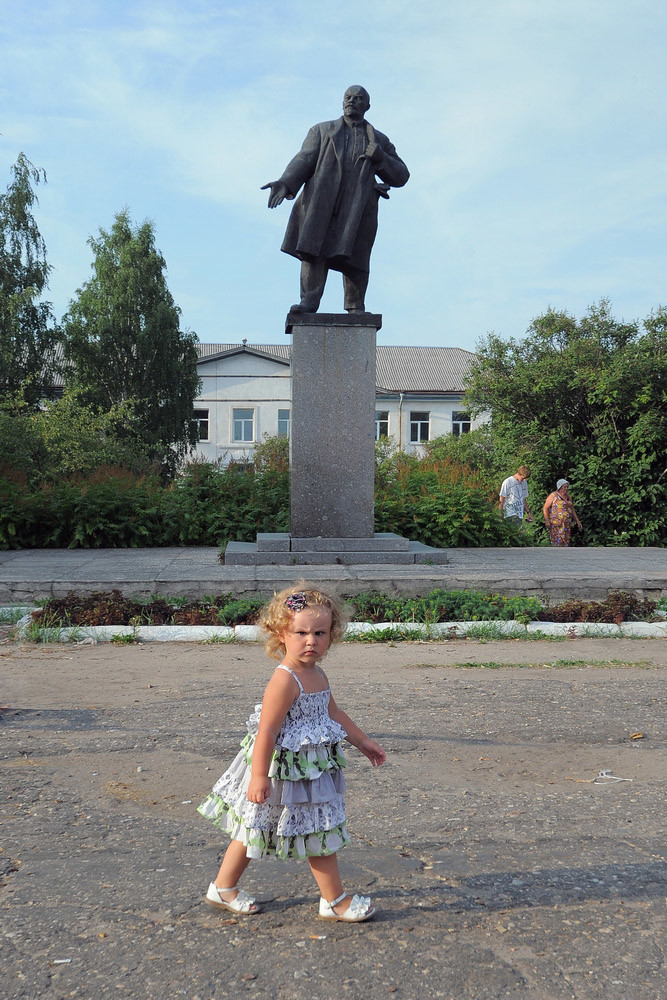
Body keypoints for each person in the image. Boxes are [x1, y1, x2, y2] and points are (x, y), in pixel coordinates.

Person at [197, 584, 386, 922]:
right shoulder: (285, 680)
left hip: (307, 771)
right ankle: (334, 900)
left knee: (281, 828)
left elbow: (334, 713)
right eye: (300, 632)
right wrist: (258, 777)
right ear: (281, 634)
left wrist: (363, 741)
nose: (310, 640)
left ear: (332, 635)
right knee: (280, 827)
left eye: (320, 632)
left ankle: (223, 887)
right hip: (278, 771)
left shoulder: (318, 674)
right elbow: (266, 730)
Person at [261, 85, 409, 314]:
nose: (352, 101)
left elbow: (401, 175)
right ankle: (309, 301)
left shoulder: (379, 139)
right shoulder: (322, 131)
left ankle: (355, 305)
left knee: (356, 257)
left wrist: (381, 158)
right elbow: (304, 159)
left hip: (359, 205)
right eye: (348, 97)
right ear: (342, 102)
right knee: (314, 251)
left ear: (367, 106)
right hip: (323, 201)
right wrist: (285, 182)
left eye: (358, 98)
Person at [543, 478, 582, 547]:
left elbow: (572, 509)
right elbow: (545, 508)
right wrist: (547, 521)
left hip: (566, 524)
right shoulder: (553, 496)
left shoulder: (568, 497)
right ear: (560, 487)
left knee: (566, 542)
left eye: (567, 487)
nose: (566, 488)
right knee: (557, 542)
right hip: (556, 523)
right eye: (565, 487)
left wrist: (577, 521)